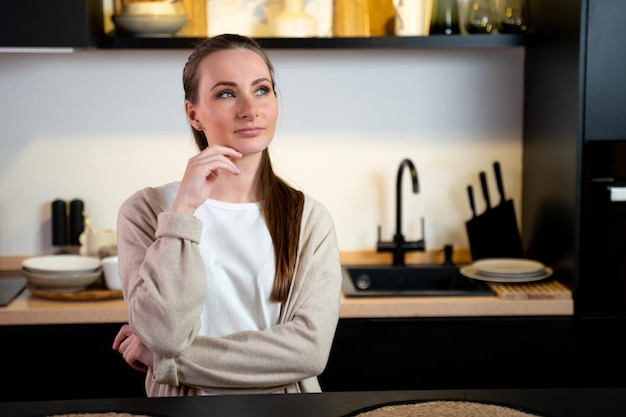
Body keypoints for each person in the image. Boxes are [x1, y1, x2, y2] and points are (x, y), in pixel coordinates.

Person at [112, 33, 342, 396]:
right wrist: (184, 211)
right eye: (226, 93)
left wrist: (171, 363)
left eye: (262, 89)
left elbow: (309, 352)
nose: (250, 109)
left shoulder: (308, 219)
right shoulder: (147, 212)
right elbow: (165, 334)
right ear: (194, 114)